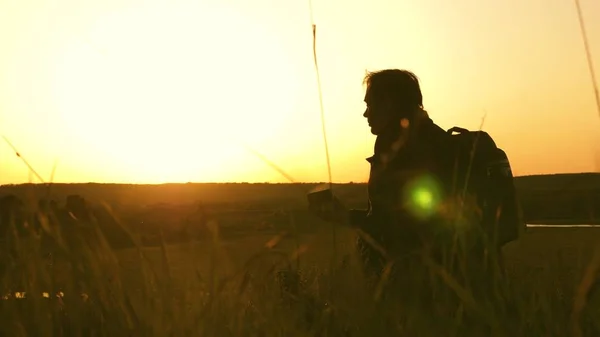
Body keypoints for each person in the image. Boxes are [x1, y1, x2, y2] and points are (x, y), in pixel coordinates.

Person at [309, 69, 512, 300]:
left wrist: (346, 217)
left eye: (370, 104)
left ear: (389, 103)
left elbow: (401, 228)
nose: (366, 113)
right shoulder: (435, 141)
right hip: (464, 282)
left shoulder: (410, 150)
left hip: (429, 288)